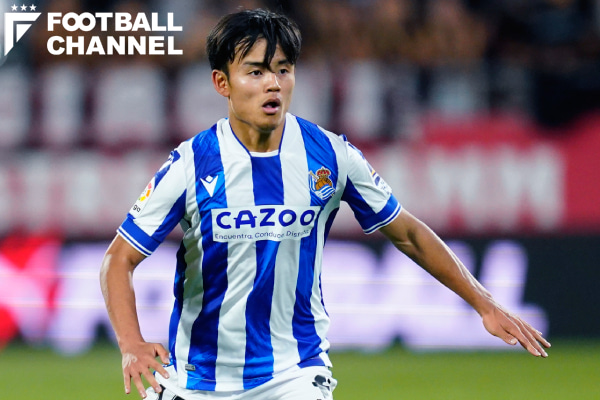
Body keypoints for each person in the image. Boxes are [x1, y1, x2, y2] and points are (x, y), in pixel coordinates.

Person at [100, 8, 551, 400]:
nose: (273, 84)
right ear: (223, 83)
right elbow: (118, 259)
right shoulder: (191, 164)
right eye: (255, 72)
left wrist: (484, 303)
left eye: (283, 69)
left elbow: (408, 233)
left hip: (295, 372)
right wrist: (131, 343)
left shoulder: (331, 155)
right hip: (198, 377)